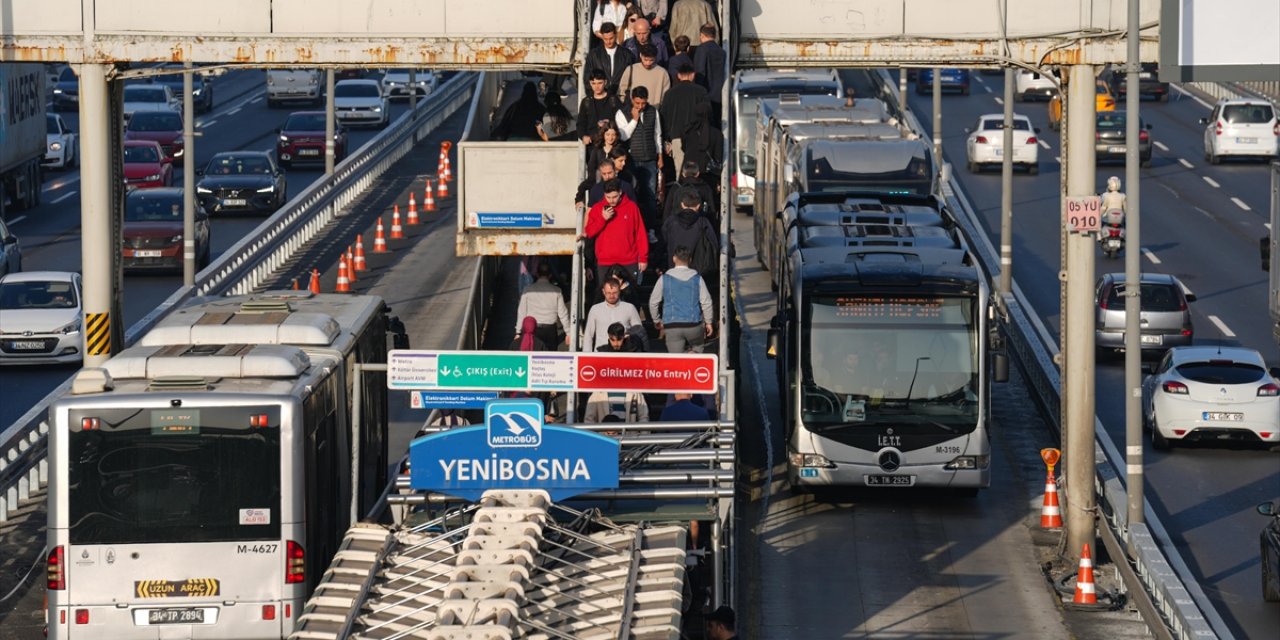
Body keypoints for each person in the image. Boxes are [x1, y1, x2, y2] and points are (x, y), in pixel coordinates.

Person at [584, 179, 649, 293]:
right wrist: (603, 219)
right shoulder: (597, 208)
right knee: (605, 296)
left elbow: (640, 233)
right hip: (605, 262)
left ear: (620, 192)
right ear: (604, 194)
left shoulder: (632, 207)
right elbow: (589, 232)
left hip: (629, 261)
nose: (611, 200)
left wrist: (643, 258)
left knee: (630, 296)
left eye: (614, 197)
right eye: (608, 197)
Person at [616, 85, 664, 232]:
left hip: (650, 159)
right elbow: (623, 136)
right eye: (637, 103)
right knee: (632, 195)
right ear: (632, 100)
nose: (640, 106)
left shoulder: (653, 111)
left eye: (643, 103)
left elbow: (657, 135)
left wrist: (660, 155)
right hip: (631, 160)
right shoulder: (621, 113)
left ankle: (650, 230)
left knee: (650, 195)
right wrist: (634, 120)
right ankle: (633, 229)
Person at [648, 246, 714, 353]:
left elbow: (653, 302)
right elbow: (706, 302)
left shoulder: (664, 279)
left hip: (672, 325)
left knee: (676, 360)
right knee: (697, 353)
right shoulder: (697, 278)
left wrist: (657, 320)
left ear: (674, 258)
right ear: (690, 260)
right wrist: (708, 322)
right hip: (694, 324)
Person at [662, 191, 719, 289]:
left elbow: (662, 243)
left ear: (682, 204)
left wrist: (660, 265)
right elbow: (714, 244)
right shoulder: (703, 222)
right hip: (697, 271)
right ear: (698, 206)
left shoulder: (671, 222)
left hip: (674, 268)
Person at [660, 63, 710, 172]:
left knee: (681, 171)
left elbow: (664, 118)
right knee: (697, 171)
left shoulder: (669, 93)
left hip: (676, 137)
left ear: (678, 75)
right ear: (693, 75)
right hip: (697, 137)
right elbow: (707, 114)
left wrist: (666, 139)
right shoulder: (701, 91)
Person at [514, 262, 571, 348]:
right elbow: (563, 313)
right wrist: (568, 332)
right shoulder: (557, 291)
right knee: (550, 358)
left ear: (537, 274)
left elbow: (522, 312)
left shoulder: (527, 290)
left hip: (533, 329)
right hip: (550, 330)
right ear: (550, 275)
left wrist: (518, 332)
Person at [583, 279, 643, 350]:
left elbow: (639, 333)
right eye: (608, 293)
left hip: (624, 354)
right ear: (603, 292)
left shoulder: (630, 308)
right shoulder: (595, 309)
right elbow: (588, 335)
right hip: (601, 354)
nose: (611, 296)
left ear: (619, 292)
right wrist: (587, 356)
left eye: (614, 293)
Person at [582, 22, 636, 95]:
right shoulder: (593, 55)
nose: (608, 42)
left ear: (616, 35)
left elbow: (632, 77)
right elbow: (587, 78)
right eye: (605, 39)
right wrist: (592, 97)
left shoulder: (627, 55)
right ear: (602, 36)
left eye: (611, 38)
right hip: (600, 97)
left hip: (620, 96)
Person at [577, 70, 623, 146]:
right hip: (592, 144)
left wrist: (609, 124)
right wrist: (583, 136)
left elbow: (622, 122)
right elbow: (581, 123)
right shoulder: (586, 101)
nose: (597, 86)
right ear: (590, 83)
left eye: (600, 83)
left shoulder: (613, 100)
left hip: (611, 144)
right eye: (593, 83)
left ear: (605, 82)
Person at [663, 159, 716, 225]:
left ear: (683, 174)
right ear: (698, 174)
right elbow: (712, 210)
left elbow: (667, 210)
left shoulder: (676, 187)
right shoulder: (705, 188)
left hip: (677, 226)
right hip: (697, 227)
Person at [681, 100, 723, 177]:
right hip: (708, 174)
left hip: (688, 171)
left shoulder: (688, 130)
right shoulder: (716, 133)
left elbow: (684, 148)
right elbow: (718, 156)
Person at [692, 23, 727, 115]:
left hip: (706, 94)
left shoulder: (702, 49)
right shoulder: (721, 51)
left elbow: (700, 72)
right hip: (719, 94)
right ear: (714, 35)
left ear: (702, 35)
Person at [583, 388, 649, 423]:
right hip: (605, 440)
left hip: (629, 440)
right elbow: (589, 419)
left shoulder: (635, 391)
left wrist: (641, 441)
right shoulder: (598, 392)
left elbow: (643, 417)